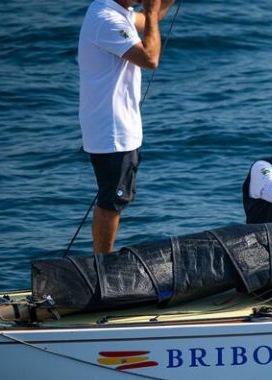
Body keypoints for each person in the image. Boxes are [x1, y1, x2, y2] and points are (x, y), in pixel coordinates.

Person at [78, 0, 176, 254]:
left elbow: (149, 18)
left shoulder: (118, 12)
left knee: (114, 198)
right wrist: (151, 12)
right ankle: (102, 264)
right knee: (112, 201)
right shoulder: (107, 19)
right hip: (112, 130)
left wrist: (156, 9)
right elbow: (150, 58)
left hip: (116, 127)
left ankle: (101, 261)